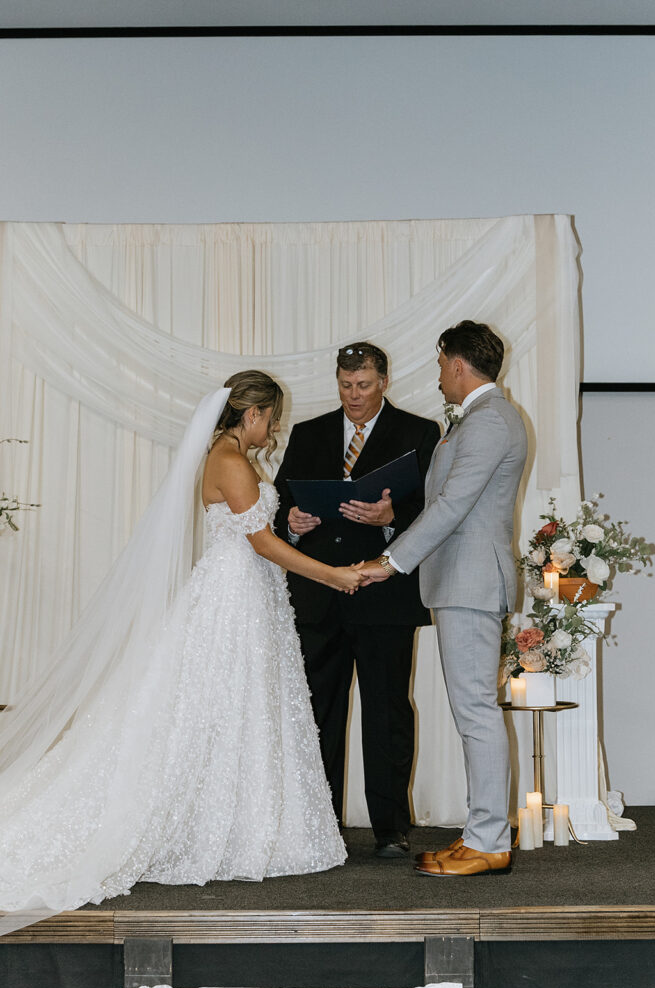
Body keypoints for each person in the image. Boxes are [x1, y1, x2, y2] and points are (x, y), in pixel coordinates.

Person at [0, 371, 363, 935]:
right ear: (251, 414)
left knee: (239, 706)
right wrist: (333, 575)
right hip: (233, 595)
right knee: (212, 705)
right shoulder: (231, 460)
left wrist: (292, 525)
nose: (274, 427)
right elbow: (259, 543)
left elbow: (263, 532)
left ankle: (242, 821)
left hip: (249, 590)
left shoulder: (235, 457)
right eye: (272, 417)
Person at [362, 321, 528, 877]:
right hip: (462, 580)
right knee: (471, 711)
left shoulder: (490, 421)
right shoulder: (483, 420)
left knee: (476, 712)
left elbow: (452, 506)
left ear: (457, 363)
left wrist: (389, 563)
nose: (437, 377)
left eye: (439, 366)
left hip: (472, 581)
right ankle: (483, 832)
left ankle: (489, 842)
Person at [274, 343, 440, 858]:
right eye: (346, 386)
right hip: (319, 595)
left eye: (364, 386)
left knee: (387, 709)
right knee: (319, 710)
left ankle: (391, 830)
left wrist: (390, 519)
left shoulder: (419, 433)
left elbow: (438, 512)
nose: (354, 396)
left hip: (384, 594)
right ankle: (319, 826)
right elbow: (280, 505)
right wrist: (292, 524)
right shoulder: (310, 433)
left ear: (384, 381)